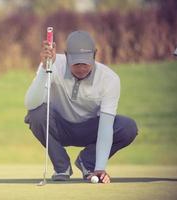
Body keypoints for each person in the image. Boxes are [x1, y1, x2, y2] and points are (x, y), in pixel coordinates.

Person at [24, 30, 138, 184]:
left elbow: (105, 127)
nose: (81, 68)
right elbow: (31, 104)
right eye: (76, 63)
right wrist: (45, 69)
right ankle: (61, 166)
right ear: (66, 54)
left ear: (95, 55)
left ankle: (88, 162)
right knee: (36, 114)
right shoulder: (52, 63)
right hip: (60, 126)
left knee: (127, 127)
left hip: (91, 130)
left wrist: (100, 168)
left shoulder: (110, 79)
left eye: (85, 62)